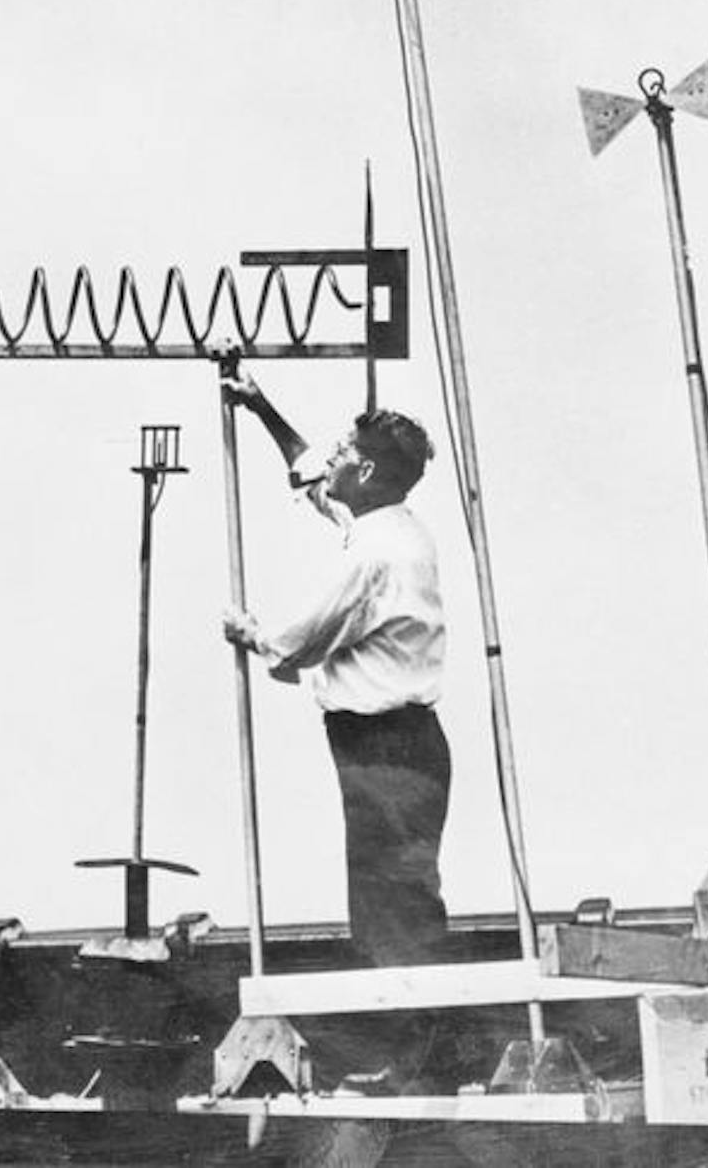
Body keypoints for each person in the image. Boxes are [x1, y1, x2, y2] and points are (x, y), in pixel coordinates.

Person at [218, 368, 451, 1087]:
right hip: (391, 747)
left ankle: (420, 1067)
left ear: (370, 469)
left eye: (344, 453)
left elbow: (305, 639)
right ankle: (416, 1059)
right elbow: (309, 476)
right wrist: (259, 405)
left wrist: (253, 633)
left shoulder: (379, 553)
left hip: (389, 749)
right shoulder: (386, 522)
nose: (332, 462)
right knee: (390, 901)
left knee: (393, 910)